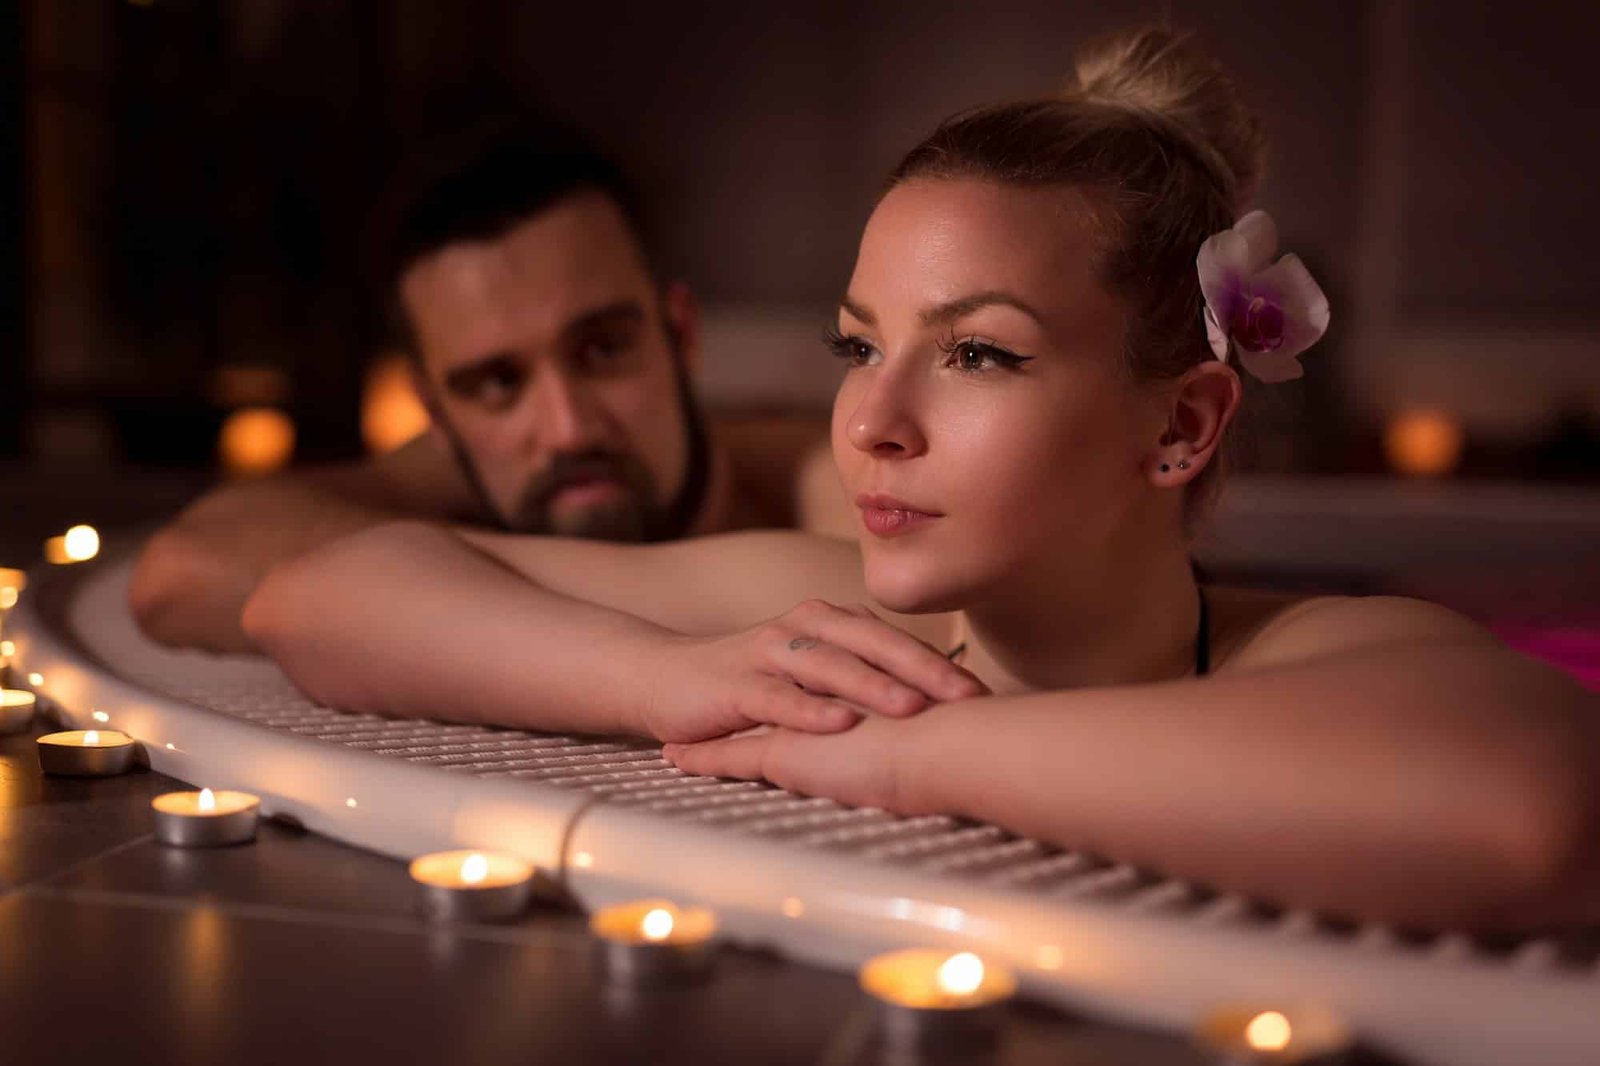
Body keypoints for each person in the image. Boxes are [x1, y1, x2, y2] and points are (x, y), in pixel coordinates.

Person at [241, 30, 1600, 932]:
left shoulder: (1322, 650)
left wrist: (917, 759)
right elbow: (314, 596)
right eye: (858, 345)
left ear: (1183, 425)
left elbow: (1535, 816)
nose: (871, 421)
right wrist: (652, 674)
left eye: (981, 355)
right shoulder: (824, 624)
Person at [128, 117, 843, 653]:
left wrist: (431, 575)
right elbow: (179, 577)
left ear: (680, 335)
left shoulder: (814, 462)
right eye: (498, 383)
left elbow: (896, 607)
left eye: (602, 349)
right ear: (436, 414)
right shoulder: (456, 479)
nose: (568, 428)